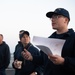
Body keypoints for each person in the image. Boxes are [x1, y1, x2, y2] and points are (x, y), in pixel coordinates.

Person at [21, 8, 75, 75]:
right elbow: (43, 59)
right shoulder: (49, 39)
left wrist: (63, 61)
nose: (52, 19)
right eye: (52, 17)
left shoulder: (73, 38)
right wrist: (31, 57)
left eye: (56, 17)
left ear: (66, 20)